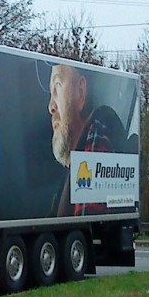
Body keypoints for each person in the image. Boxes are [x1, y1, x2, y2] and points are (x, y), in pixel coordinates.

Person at [47, 63, 121, 215]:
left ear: (80, 92)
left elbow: (88, 215)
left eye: (58, 85)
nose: (51, 106)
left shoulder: (97, 135)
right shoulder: (73, 167)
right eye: (50, 93)